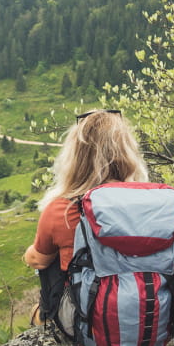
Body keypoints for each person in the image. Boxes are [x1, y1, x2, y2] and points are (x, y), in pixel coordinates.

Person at [24, 109, 149, 319]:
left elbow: (37, 260)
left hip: (89, 320)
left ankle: (47, 317)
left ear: (76, 158)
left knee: (48, 266)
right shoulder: (149, 202)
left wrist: (29, 253)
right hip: (148, 310)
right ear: (128, 153)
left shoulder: (62, 210)